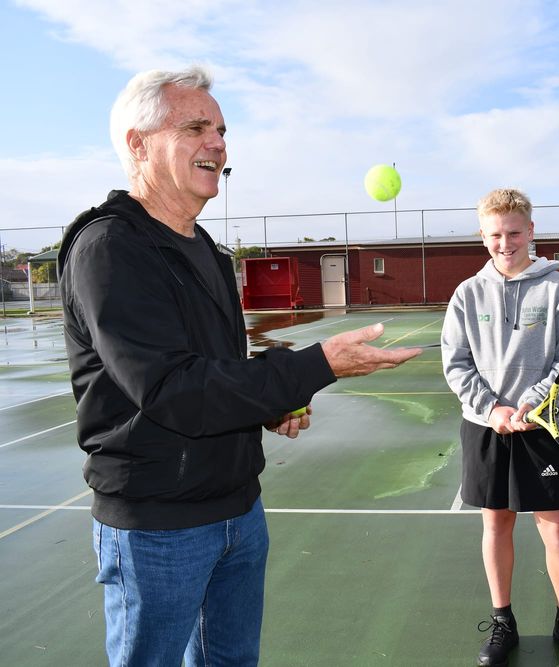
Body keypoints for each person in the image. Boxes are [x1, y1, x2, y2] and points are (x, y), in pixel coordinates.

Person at [56, 66, 421, 667]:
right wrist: (317, 366)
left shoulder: (207, 251)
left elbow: (216, 367)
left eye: (222, 129)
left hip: (238, 510)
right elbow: (172, 390)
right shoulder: (110, 247)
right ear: (138, 145)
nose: (219, 143)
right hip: (157, 528)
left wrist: (274, 401)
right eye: (196, 126)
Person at [441, 188, 559, 666]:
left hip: (542, 427)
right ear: (483, 236)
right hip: (485, 426)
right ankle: (503, 622)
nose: (505, 242)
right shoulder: (467, 294)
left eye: (514, 232)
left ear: (530, 232)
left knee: (555, 527)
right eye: (495, 234)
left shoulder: (558, 289)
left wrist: (531, 404)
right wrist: (491, 409)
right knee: (497, 523)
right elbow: (456, 363)